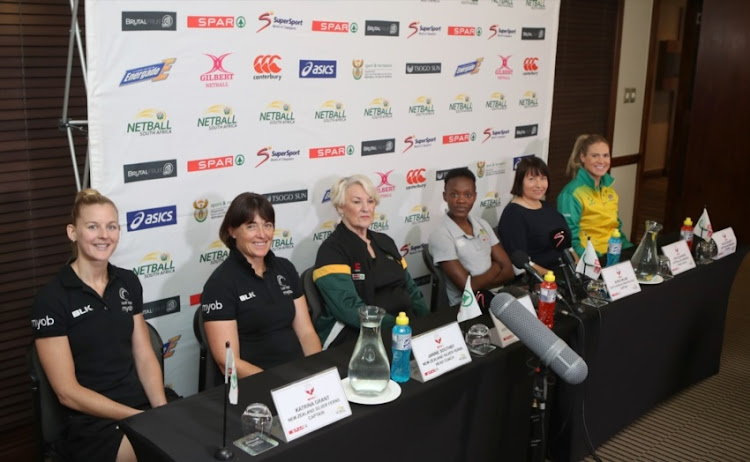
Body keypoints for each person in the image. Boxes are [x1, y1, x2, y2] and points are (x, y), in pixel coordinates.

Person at [31, 189, 167, 462]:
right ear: (73, 232)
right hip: (91, 420)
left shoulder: (127, 281)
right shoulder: (52, 299)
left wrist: (161, 412)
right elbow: (67, 393)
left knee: (195, 438)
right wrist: (140, 418)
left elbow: (143, 355)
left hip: (139, 403)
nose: (104, 235)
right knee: (155, 452)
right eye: (93, 227)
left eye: (111, 226)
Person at [201, 193, 321, 378]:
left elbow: (306, 333)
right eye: (251, 226)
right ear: (232, 231)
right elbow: (228, 362)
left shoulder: (285, 268)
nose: (262, 234)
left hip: (299, 377)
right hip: (257, 385)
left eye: (267, 225)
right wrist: (280, 384)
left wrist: (316, 372)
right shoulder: (220, 284)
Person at [313, 175, 429, 348]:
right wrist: (400, 328)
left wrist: (427, 324)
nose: (365, 208)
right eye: (357, 202)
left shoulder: (385, 242)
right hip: (359, 336)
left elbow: (411, 289)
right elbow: (349, 308)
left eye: (370, 201)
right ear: (340, 207)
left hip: (403, 328)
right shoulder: (331, 250)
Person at [428, 168, 514, 307]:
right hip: (469, 307)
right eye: (454, 194)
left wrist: (479, 282)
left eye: (467, 195)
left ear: (474, 196)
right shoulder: (440, 235)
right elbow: (468, 287)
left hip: (500, 297)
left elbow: (509, 271)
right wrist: (496, 267)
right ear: (445, 196)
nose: (461, 200)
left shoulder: (482, 224)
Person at [557, 134, 633, 259]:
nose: (601, 161)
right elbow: (570, 240)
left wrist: (631, 251)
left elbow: (616, 229)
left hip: (614, 256)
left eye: (605, 155)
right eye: (594, 156)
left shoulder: (610, 191)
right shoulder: (571, 194)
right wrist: (596, 260)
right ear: (582, 157)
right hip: (591, 260)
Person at [498, 157, 575, 276]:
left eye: (543, 178)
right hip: (541, 279)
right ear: (520, 181)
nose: (539, 185)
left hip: (568, 272)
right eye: (532, 179)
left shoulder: (548, 207)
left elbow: (569, 247)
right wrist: (553, 277)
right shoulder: (513, 215)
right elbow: (522, 262)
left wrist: (578, 270)